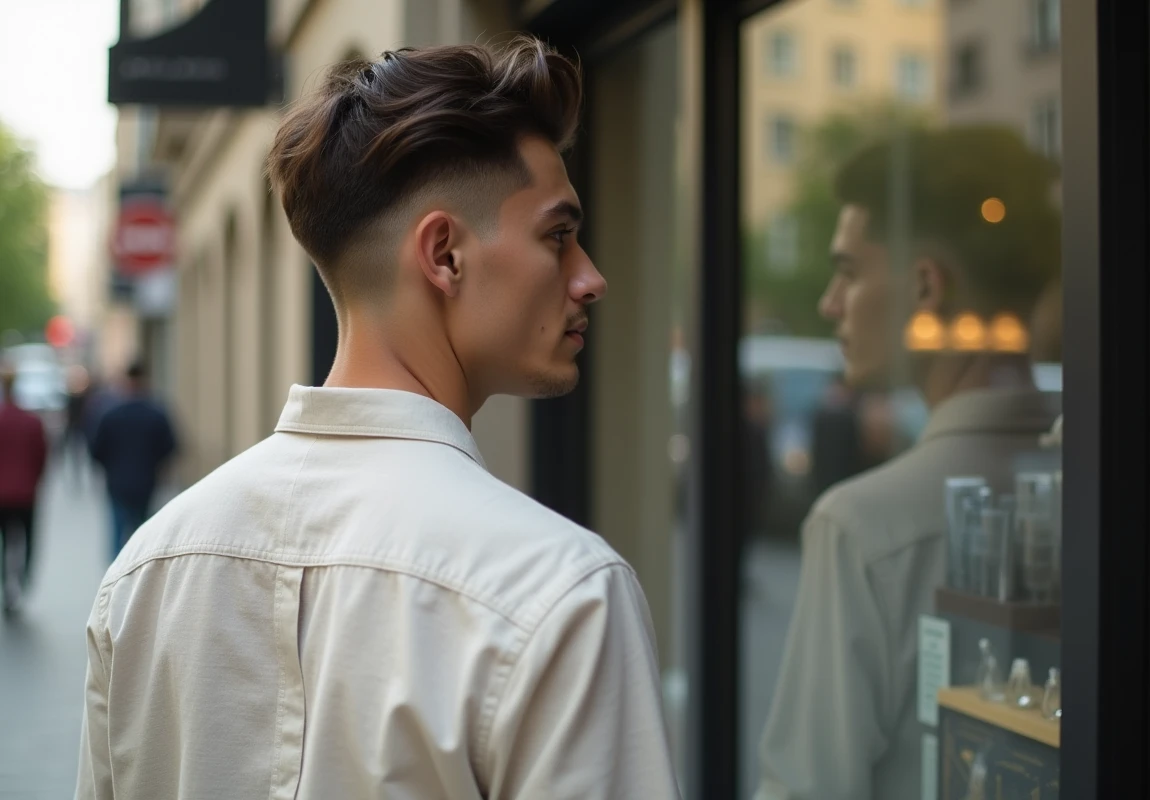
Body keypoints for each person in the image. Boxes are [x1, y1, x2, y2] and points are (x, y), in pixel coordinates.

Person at [76, 37, 680, 799]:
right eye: (558, 236)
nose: (590, 278)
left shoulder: (145, 573)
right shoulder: (561, 594)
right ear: (445, 255)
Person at [756, 126, 1062, 800]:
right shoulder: (1109, 485)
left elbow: (807, 788)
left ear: (926, 287)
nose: (829, 303)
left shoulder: (862, 525)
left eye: (848, 272)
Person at [88, 362, 177, 559]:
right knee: (143, 534)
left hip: (117, 482)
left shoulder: (111, 415)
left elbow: (96, 450)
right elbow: (171, 447)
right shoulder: (156, 414)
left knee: (117, 532)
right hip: (146, 481)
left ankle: (117, 573)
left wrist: (110, 467)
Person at [0, 363, 48, 615]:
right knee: (28, 538)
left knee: (4, 541)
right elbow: (41, 456)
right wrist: (34, 479)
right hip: (26, 493)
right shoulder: (32, 421)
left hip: (2, 495)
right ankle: (22, 579)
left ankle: (6, 583)